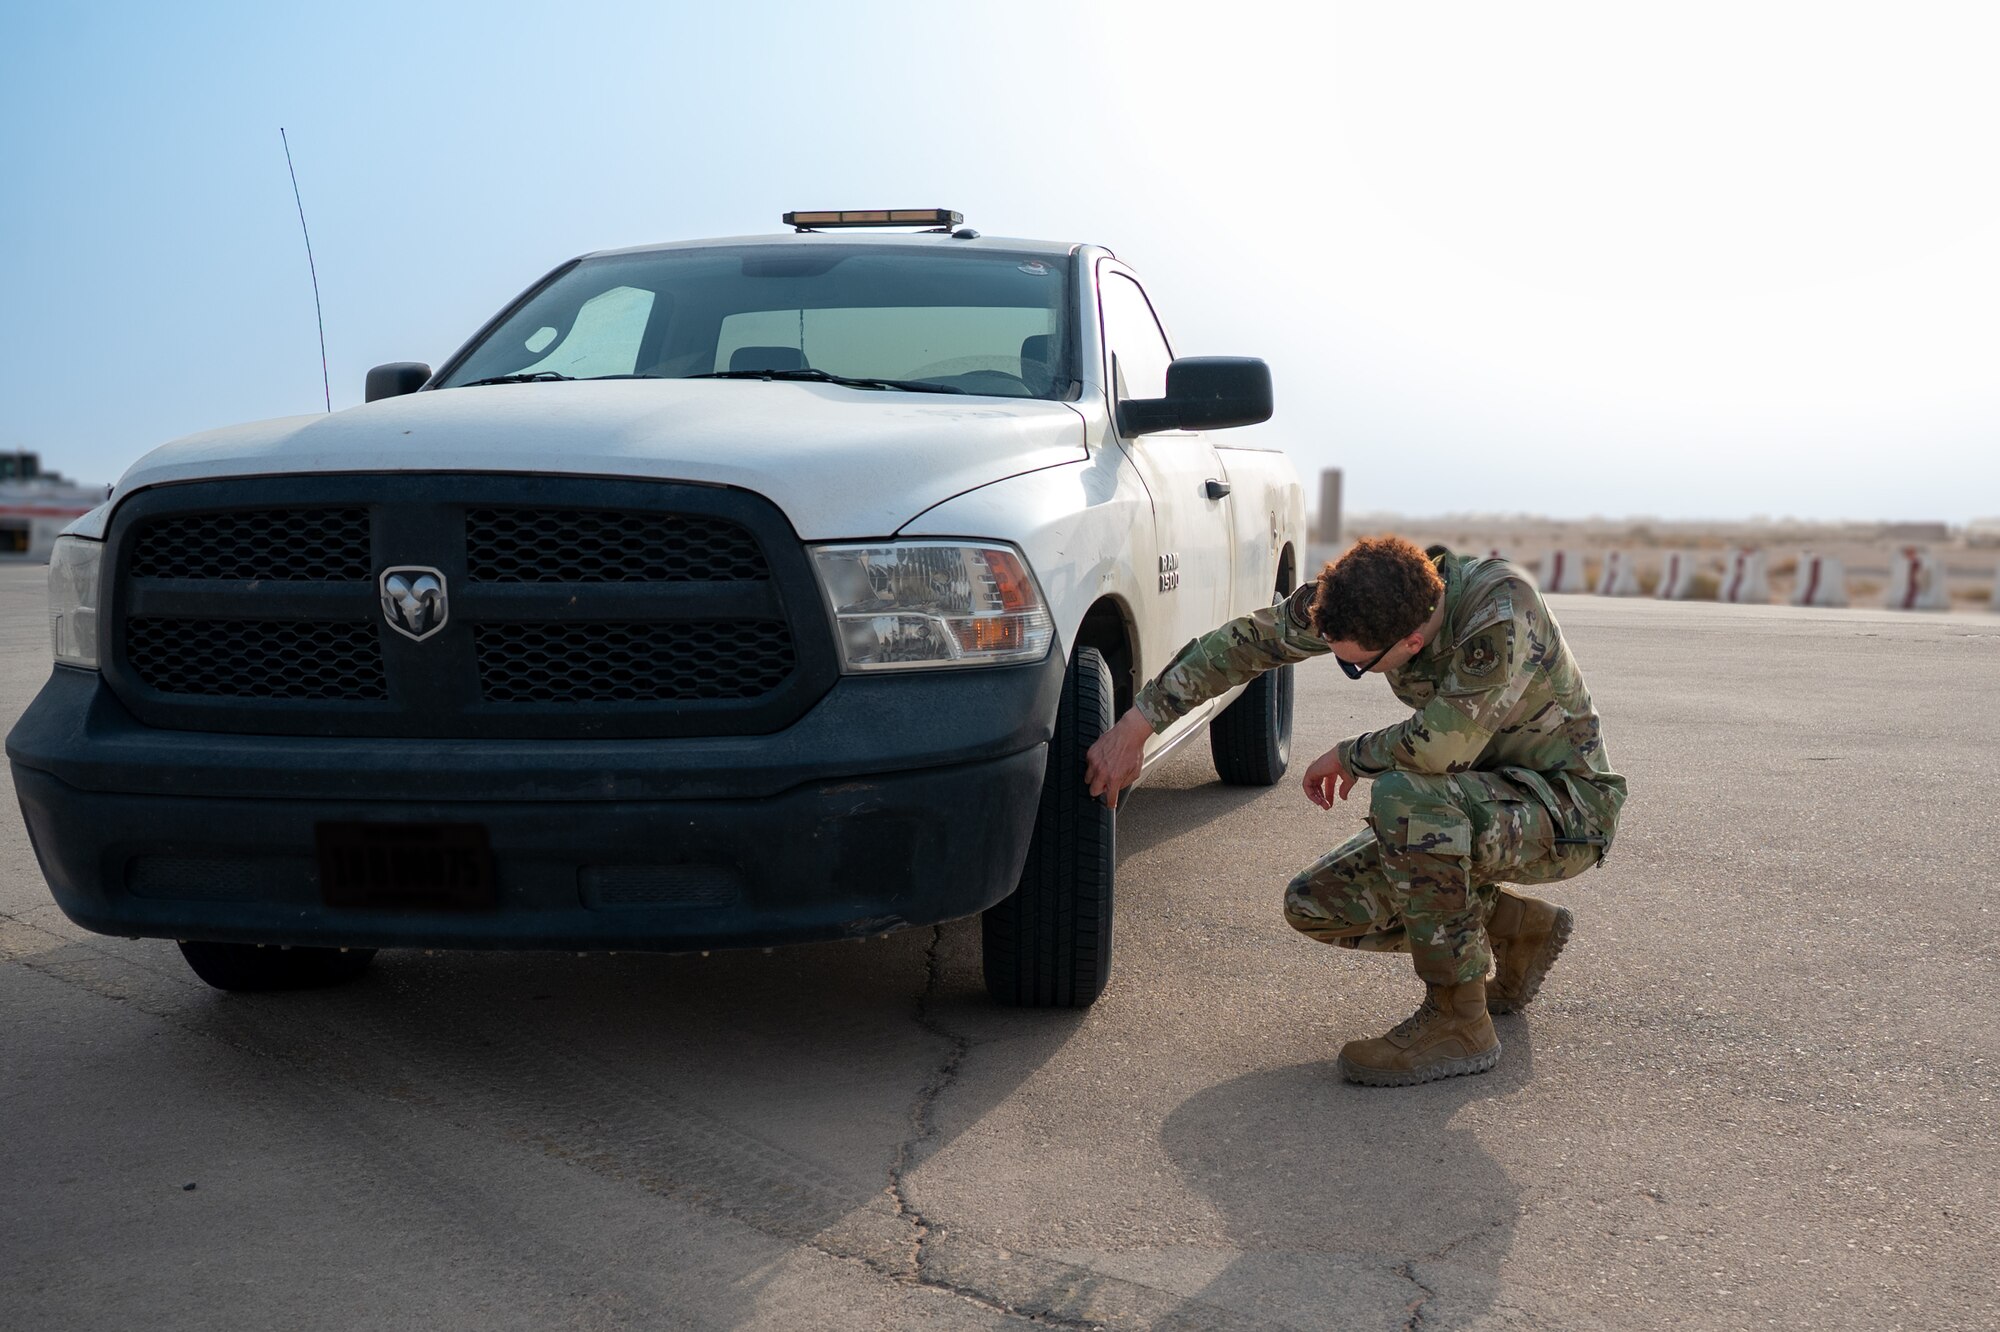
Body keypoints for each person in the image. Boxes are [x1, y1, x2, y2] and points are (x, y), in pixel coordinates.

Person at [1084, 536, 1626, 1086]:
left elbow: (1439, 746)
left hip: (1565, 809)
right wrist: (1137, 725)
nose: (1352, 669)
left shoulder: (1502, 612)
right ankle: (1514, 927)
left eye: (1357, 667)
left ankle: (1459, 1021)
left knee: (1403, 795)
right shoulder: (1364, 593)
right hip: (1473, 801)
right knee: (1317, 902)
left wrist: (1349, 755)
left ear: (1412, 641)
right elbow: (1243, 645)